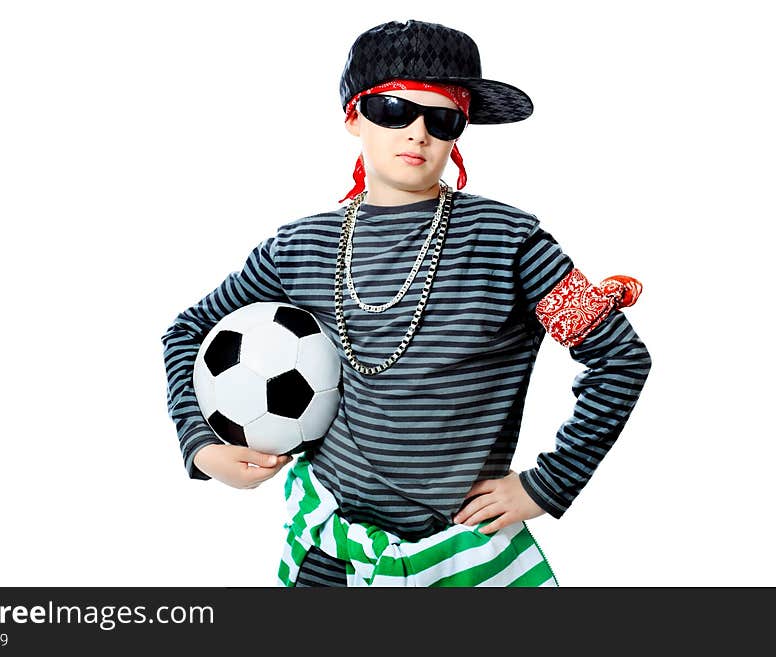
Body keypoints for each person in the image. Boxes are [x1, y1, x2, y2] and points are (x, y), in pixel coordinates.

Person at [160, 19, 652, 587]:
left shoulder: (511, 242)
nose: (417, 132)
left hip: (464, 553)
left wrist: (547, 484)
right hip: (332, 551)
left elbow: (619, 358)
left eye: (441, 118)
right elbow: (189, 328)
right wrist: (200, 445)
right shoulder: (300, 247)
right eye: (393, 110)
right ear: (354, 118)